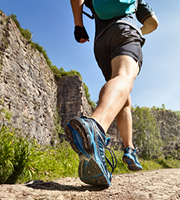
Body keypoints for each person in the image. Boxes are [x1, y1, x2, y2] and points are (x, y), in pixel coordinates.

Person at [65, 0, 158, 187]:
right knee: (124, 77)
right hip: (126, 30)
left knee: (122, 95)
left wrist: (79, 25)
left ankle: (129, 148)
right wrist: (139, 30)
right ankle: (96, 127)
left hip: (101, 41)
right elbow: (152, 23)